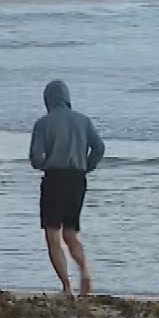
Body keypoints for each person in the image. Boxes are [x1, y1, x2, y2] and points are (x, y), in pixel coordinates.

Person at [29, 79, 104, 296]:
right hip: (77, 180)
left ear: (48, 100)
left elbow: (36, 156)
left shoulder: (43, 123)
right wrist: (86, 167)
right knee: (70, 233)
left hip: (54, 179)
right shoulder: (84, 121)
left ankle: (66, 287)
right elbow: (99, 147)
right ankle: (85, 272)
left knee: (53, 235)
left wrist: (44, 164)